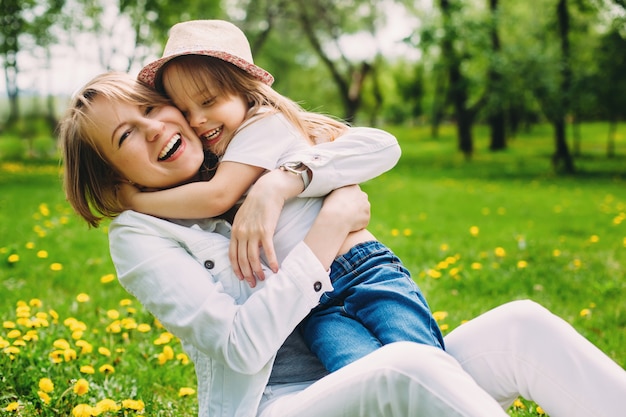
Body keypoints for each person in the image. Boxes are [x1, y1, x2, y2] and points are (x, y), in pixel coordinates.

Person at [59, 70, 626, 417]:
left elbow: (372, 146)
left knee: (520, 327)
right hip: (282, 403)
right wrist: (331, 229)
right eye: (127, 134)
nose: (155, 126)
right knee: (410, 367)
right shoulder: (139, 235)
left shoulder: (241, 158)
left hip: (362, 370)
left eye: (151, 107)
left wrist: (288, 180)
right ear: (112, 178)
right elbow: (239, 347)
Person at [119, 19, 444, 373]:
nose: (196, 120)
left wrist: (135, 202)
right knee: (360, 377)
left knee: (425, 367)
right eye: (184, 110)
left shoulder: (261, 125)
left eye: (208, 101)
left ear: (245, 90)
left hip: (359, 270)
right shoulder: (221, 156)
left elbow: (217, 196)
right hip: (311, 302)